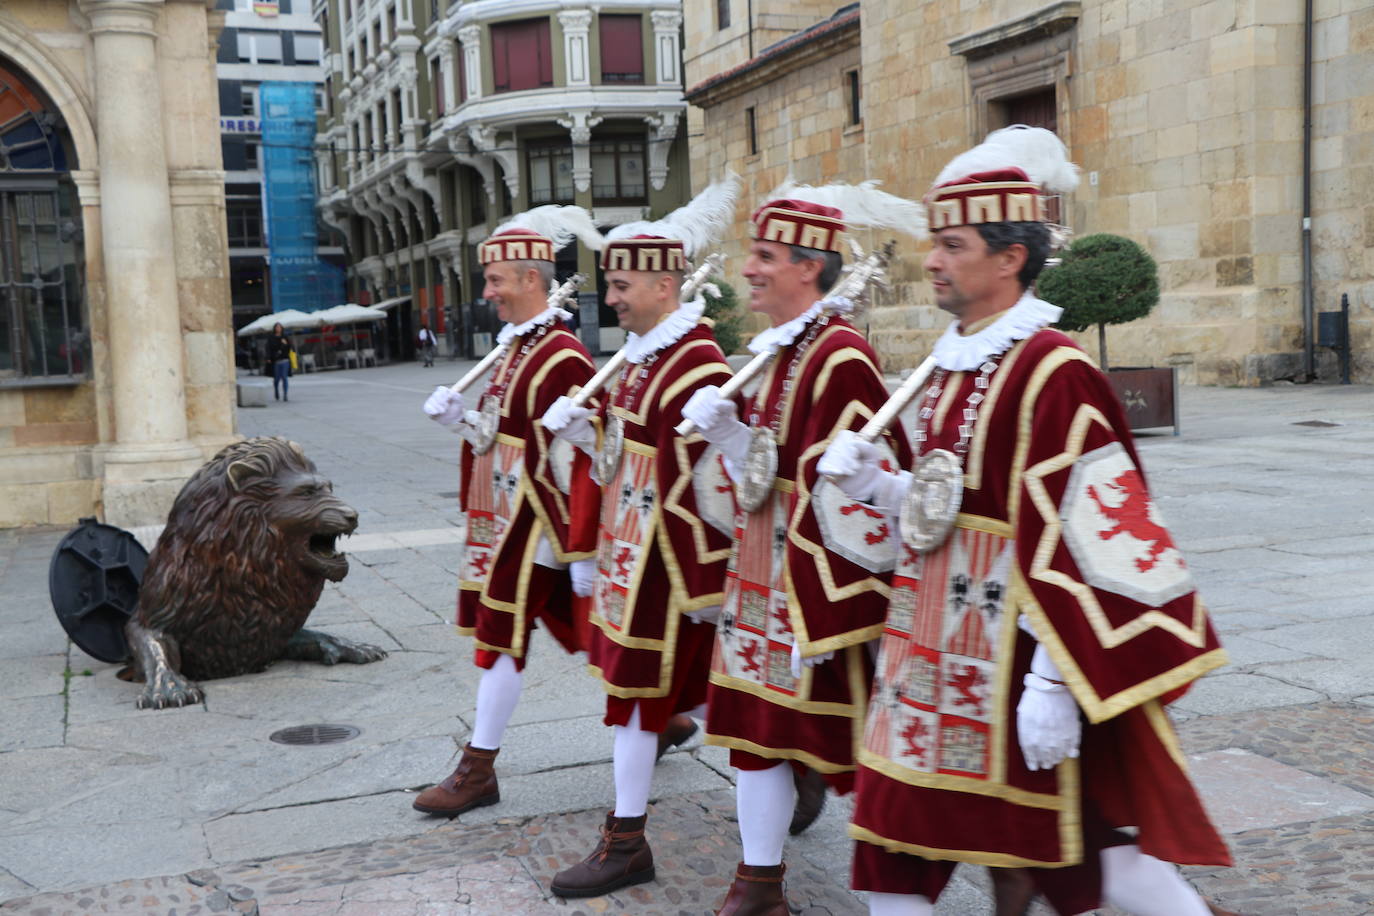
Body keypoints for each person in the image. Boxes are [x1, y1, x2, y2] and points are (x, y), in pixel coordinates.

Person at [818, 126, 1236, 916]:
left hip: (1008, 661)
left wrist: (1052, 682)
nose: (932, 260)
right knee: (893, 843)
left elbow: (1092, 532)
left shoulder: (1056, 373)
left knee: (1078, 852)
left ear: (1009, 258)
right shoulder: (949, 366)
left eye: (951, 244)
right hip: (925, 651)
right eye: (933, 243)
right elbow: (957, 505)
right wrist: (882, 488)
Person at [680, 188, 922, 915]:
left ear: (810, 268)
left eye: (764, 256)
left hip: (812, 596)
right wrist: (728, 438)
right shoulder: (783, 351)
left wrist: (825, 607)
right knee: (756, 731)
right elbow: (776, 467)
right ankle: (759, 884)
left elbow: (849, 490)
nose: (747, 268)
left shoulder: (840, 354)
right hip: (765, 579)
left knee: (861, 751)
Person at [539, 178, 740, 898]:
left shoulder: (699, 363)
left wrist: (700, 581)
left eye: (623, 285)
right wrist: (589, 434)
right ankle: (784, 774)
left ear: (663, 283)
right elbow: (628, 451)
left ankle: (627, 840)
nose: (613, 298)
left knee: (645, 697)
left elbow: (712, 480)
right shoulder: (641, 357)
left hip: (670, 567)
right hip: (633, 558)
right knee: (665, 696)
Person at [414, 205, 604, 818]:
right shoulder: (515, 349)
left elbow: (580, 455)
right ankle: (676, 714)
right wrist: (462, 422)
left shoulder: (565, 355)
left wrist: (578, 547)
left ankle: (478, 768)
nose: (489, 293)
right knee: (595, 637)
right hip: (505, 517)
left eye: (497, 280)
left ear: (530, 278)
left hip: (538, 522)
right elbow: (503, 435)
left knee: (499, 636)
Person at [267, 322, 293, 401]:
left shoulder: (285, 337)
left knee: (284, 378)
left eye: (279, 327)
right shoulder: (271, 338)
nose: (278, 329)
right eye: (277, 327)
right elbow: (268, 348)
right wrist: (268, 358)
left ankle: (285, 394)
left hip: (285, 360)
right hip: (276, 360)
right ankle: (276, 391)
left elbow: (290, 348)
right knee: (276, 379)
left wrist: (286, 344)